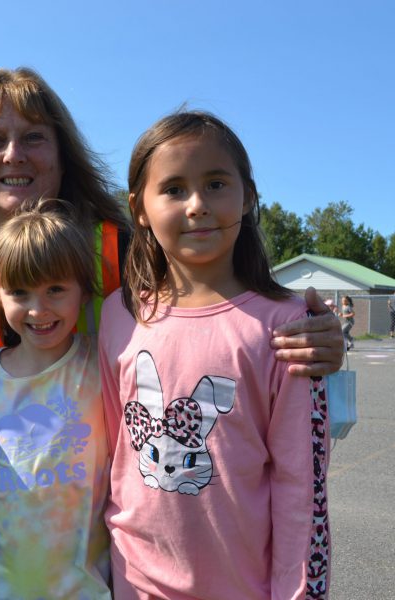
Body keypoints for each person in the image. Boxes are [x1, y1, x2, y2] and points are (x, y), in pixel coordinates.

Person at [0, 67, 343, 422]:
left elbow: (217, 307)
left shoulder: (126, 245)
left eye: (35, 136)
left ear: (62, 153)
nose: (15, 155)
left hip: (95, 526)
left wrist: (309, 333)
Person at [98, 111, 330, 598]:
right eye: (175, 189)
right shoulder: (117, 316)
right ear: (139, 207)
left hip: (241, 586)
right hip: (134, 581)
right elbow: (110, 454)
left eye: (216, 184)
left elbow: (300, 483)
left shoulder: (285, 324)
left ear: (247, 196)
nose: (198, 204)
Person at [0, 198, 110, 598]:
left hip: (86, 586)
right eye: (20, 292)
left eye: (55, 289)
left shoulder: (103, 361)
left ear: (83, 292)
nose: (38, 309)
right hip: (0, 584)